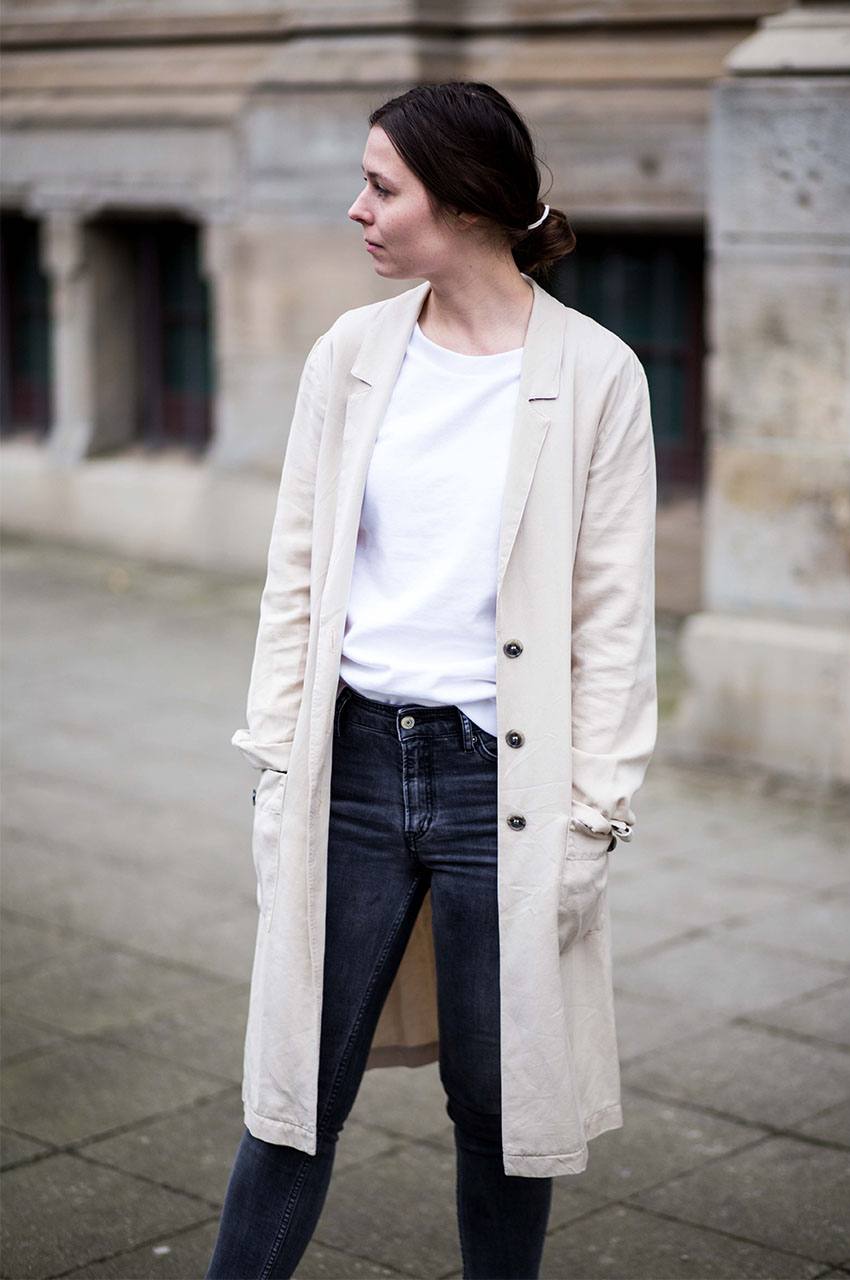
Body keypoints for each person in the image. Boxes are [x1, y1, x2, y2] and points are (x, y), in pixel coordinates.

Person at [206, 81, 657, 1280]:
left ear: (460, 204)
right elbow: (296, 570)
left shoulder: (598, 373)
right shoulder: (351, 353)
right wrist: (270, 759)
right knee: (293, 1089)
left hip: (497, 782)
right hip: (349, 763)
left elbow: (613, 621)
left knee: (502, 1107)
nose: (356, 208)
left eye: (381, 186)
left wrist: (590, 821)